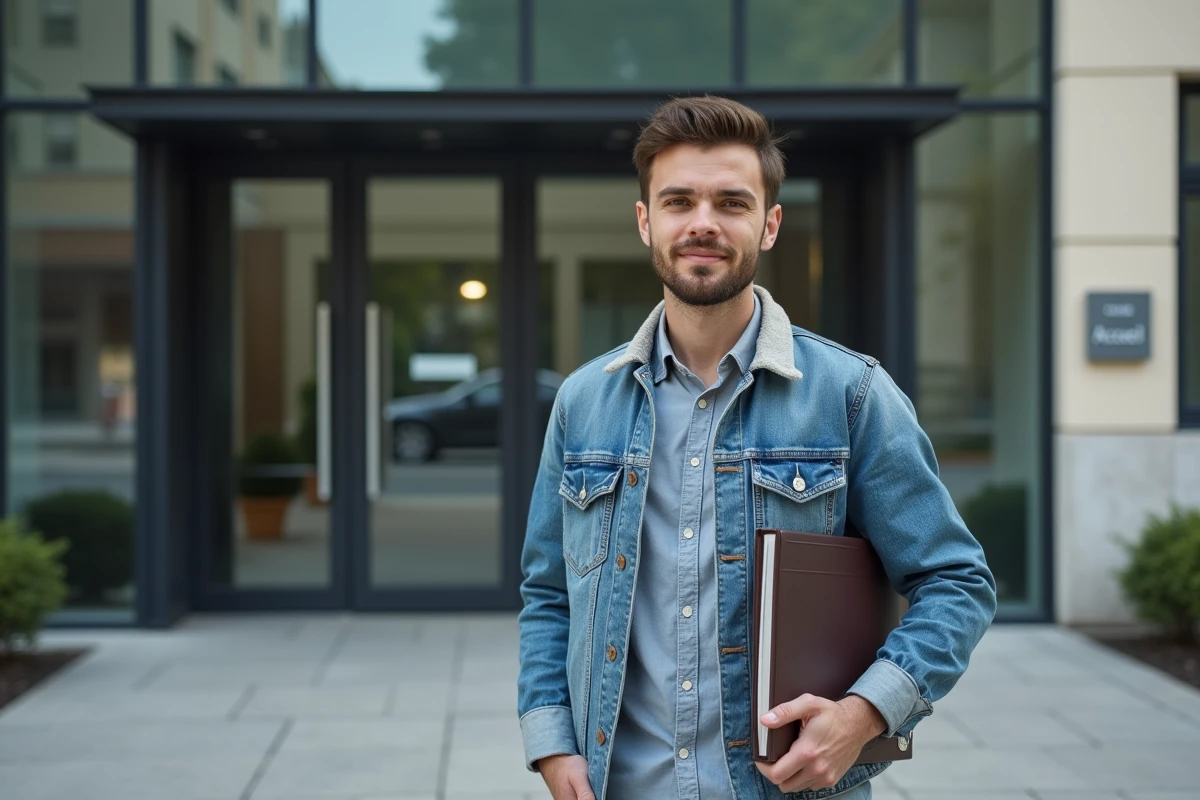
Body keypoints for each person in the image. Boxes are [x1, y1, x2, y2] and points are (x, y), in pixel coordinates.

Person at [517, 95, 996, 800]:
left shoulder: (851, 394)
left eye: (731, 203)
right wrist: (553, 745)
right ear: (646, 221)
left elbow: (956, 582)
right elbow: (548, 593)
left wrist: (863, 716)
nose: (703, 223)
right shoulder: (584, 402)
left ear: (769, 225)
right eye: (678, 201)